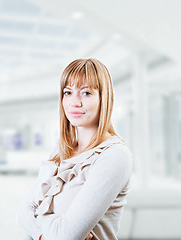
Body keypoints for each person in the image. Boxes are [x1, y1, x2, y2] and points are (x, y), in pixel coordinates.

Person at [17, 58, 132, 240]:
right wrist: (45, 234)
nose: (74, 102)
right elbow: (24, 211)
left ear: (104, 98)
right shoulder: (61, 148)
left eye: (86, 93)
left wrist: (40, 218)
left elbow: (66, 236)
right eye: (68, 92)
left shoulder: (114, 156)